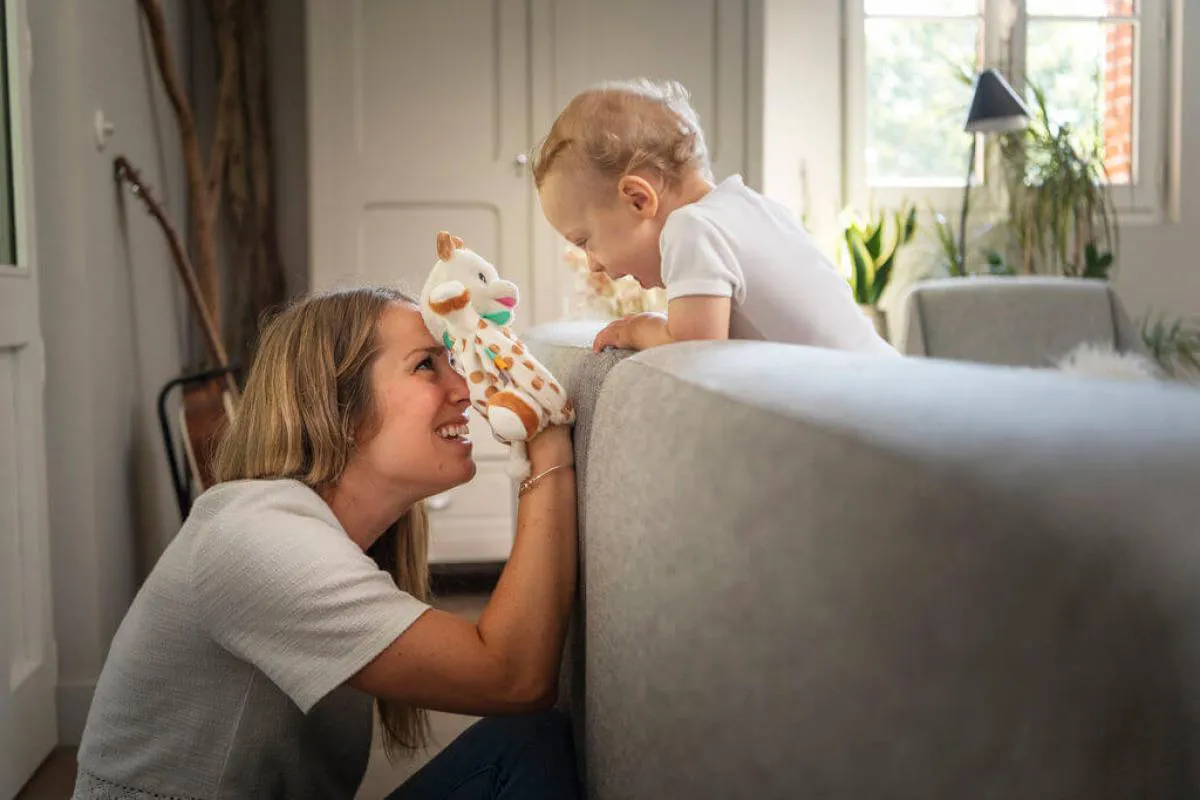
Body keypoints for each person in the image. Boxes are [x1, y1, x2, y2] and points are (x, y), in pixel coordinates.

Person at [71, 287, 581, 800]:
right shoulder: (257, 540)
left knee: (527, 744)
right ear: (337, 407)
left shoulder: (337, 541)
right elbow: (514, 679)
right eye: (427, 365)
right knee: (525, 742)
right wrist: (547, 442)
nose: (466, 388)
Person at [532, 78, 897, 357]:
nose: (593, 265)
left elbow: (697, 354)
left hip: (868, 408)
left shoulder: (690, 228)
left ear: (638, 200)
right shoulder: (755, 210)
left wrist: (638, 329)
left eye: (585, 241)